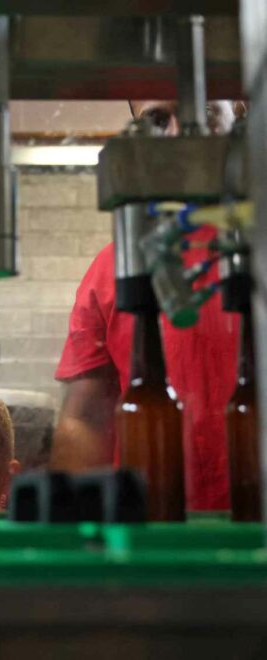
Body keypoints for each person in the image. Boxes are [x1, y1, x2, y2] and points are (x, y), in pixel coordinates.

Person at [50, 100, 245, 511]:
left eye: (203, 114)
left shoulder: (251, 249)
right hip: (152, 527)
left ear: (240, 118)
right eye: (158, 121)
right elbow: (85, 419)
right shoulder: (112, 268)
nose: (176, 136)